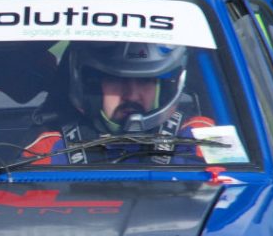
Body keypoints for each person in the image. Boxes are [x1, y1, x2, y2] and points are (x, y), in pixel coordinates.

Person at [22, 40, 215, 163]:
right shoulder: (50, 148)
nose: (131, 95)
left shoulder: (200, 137)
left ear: (165, 88)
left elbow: (234, 193)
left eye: (145, 81)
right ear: (89, 86)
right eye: (116, 80)